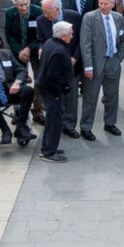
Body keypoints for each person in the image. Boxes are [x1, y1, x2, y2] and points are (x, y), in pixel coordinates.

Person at [79, 0, 124, 138]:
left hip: (113, 61)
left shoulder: (118, 18)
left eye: (106, 3)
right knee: (90, 97)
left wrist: (119, 57)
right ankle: (86, 127)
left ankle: (110, 123)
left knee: (112, 96)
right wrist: (88, 65)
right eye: (100, 3)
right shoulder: (90, 18)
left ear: (113, 4)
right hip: (94, 64)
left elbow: (123, 40)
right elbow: (85, 43)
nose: (103, 6)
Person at [36, 21, 75, 162]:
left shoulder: (50, 43)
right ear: (64, 36)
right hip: (52, 91)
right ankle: (49, 152)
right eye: (70, 33)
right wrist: (60, 91)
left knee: (52, 120)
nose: (72, 35)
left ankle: (47, 147)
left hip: (46, 88)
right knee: (55, 121)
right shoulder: (59, 51)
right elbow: (54, 76)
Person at [4, 0, 44, 124]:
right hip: (18, 51)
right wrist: (20, 51)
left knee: (39, 79)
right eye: (20, 5)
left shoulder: (37, 11)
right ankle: (20, 112)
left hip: (35, 48)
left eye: (26, 4)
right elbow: (8, 34)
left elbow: (40, 34)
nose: (24, 8)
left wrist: (28, 48)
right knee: (19, 80)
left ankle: (38, 111)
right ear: (15, 4)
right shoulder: (10, 13)